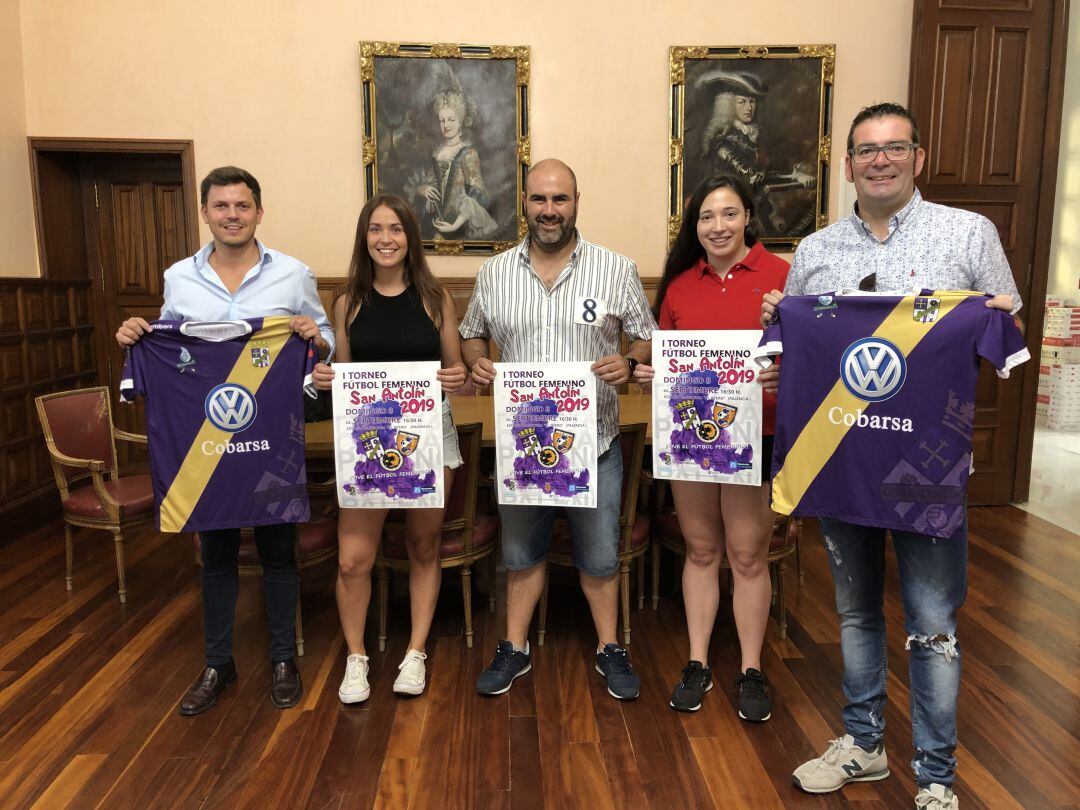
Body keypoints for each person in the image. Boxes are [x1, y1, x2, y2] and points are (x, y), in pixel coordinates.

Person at [760, 103, 1020, 810]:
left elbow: (1006, 329)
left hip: (924, 469)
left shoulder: (969, 234)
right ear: (846, 163)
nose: (880, 160)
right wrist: (777, 331)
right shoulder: (814, 253)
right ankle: (864, 744)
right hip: (842, 459)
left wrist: (996, 315)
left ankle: (936, 774)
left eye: (894, 147)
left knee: (932, 623)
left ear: (918, 156)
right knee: (854, 613)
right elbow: (795, 356)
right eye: (866, 150)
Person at [115, 165, 334, 716]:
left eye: (242, 206)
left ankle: (283, 657)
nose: (232, 215)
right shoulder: (178, 278)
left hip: (269, 442)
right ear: (206, 212)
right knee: (214, 557)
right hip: (205, 447)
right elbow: (169, 341)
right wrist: (138, 335)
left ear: (259, 212)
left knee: (278, 553)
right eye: (221, 206)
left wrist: (316, 339)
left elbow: (325, 338)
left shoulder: (293, 273)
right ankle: (218, 663)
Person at [460, 158, 655, 700]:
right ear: (525, 202)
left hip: (594, 443)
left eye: (560, 199)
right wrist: (476, 361)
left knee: (598, 558)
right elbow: (471, 333)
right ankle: (514, 648)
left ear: (576, 202)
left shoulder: (615, 269)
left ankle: (609, 648)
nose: (550, 210)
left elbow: (644, 337)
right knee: (520, 556)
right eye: (540, 199)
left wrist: (628, 361)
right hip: (524, 450)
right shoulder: (494, 273)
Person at [643, 175, 789, 717]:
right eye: (706, 217)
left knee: (748, 555)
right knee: (701, 551)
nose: (717, 226)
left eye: (728, 214)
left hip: (761, 435)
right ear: (695, 226)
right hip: (691, 438)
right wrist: (649, 375)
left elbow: (814, 357)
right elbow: (666, 363)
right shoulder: (681, 286)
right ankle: (698, 660)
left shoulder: (783, 277)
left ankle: (751, 668)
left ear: (748, 216)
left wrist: (785, 373)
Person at [310, 194, 467, 701]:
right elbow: (345, 374)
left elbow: (454, 370)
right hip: (367, 439)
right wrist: (329, 378)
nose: (385, 238)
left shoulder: (435, 296)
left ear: (410, 237)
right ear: (364, 237)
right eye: (375, 229)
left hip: (429, 435)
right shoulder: (347, 301)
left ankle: (415, 652)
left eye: (395, 229)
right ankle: (356, 657)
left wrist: (460, 374)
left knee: (424, 546)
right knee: (353, 559)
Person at [699, 69, 815, 236]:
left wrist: (796, 176)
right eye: (742, 102)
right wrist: (795, 179)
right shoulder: (723, 145)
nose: (749, 108)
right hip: (729, 215)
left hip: (754, 208)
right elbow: (754, 178)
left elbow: (763, 175)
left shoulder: (752, 137)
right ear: (729, 105)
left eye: (752, 102)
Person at [416, 74, 498, 241]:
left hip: (461, 224)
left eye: (451, 120)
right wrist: (423, 190)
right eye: (442, 120)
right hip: (435, 220)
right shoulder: (437, 154)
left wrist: (454, 225)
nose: (446, 125)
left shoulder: (468, 154)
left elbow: (477, 197)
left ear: (460, 121)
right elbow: (429, 185)